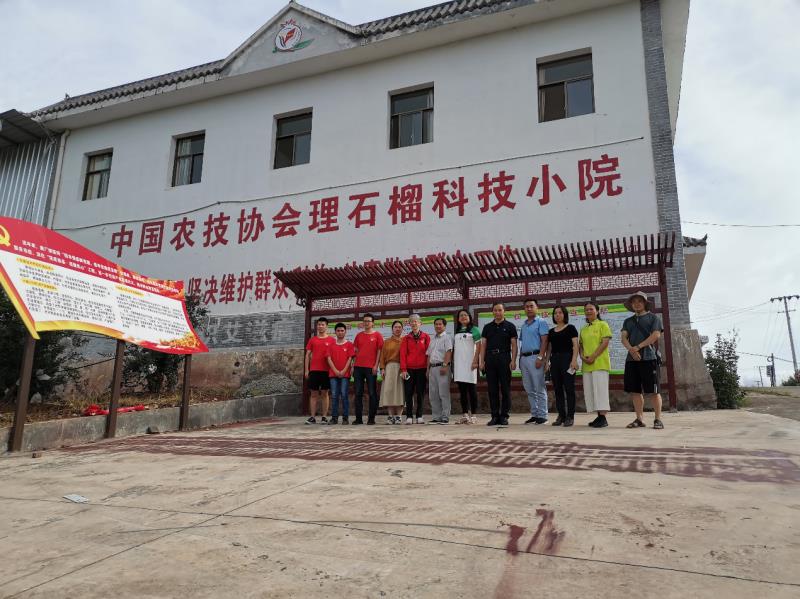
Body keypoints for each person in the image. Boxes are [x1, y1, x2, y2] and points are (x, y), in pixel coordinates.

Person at [621, 291, 665, 430]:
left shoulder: (653, 318)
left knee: (654, 391)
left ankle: (658, 419)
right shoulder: (628, 321)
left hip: (649, 357)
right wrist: (631, 350)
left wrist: (638, 347)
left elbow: (656, 335)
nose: (637, 304)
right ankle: (639, 419)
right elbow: (623, 337)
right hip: (631, 359)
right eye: (634, 302)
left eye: (640, 301)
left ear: (645, 303)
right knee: (635, 391)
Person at [479, 302, 518, 427]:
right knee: (492, 389)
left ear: (504, 311)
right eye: (495, 310)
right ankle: (494, 416)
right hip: (490, 359)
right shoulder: (487, 327)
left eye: (500, 310)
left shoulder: (510, 326)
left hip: (504, 358)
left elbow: (514, 345)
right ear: (492, 312)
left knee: (505, 388)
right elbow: (483, 345)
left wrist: (513, 360)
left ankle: (504, 416)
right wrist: (481, 361)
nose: (497, 312)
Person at [579, 302, 613, 428]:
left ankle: (603, 418)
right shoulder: (583, 328)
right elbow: (581, 345)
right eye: (586, 310)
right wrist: (582, 356)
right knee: (591, 392)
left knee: (600, 391)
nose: (588, 311)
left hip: (599, 363)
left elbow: (605, 342)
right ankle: (599, 416)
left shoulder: (603, 324)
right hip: (587, 365)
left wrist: (593, 357)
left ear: (597, 311)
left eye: (591, 309)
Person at [544, 305, 579, 427]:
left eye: (560, 312)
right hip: (555, 361)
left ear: (565, 314)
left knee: (569, 389)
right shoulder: (551, 332)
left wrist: (574, 360)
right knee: (557, 389)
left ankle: (570, 416)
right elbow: (549, 349)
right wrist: (547, 362)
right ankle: (561, 415)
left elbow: (575, 346)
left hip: (567, 359)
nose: (557, 315)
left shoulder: (571, 328)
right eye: (555, 313)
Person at [519, 298, 550, 425]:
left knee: (539, 387)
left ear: (537, 308)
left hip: (536, 357)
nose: (529, 308)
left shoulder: (541, 322)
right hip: (524, 359)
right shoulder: (524, 325)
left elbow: (545, 341)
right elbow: (522, 343)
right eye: (526, 306)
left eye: (531, 306)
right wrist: (520, 359)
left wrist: (541, 357)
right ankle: (535, 414)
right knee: (529, 388)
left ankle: (543, 415)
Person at [352, 313, 383, 425]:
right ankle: (358, 419)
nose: (366, 323)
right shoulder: (358, 335)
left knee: (372, 393)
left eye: (369, 321)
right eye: (365, 321)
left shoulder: (377, 335)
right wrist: (353, 366)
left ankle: (371, 418)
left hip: (371, 368)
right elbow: (355, 352)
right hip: (358, 368)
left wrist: (376, 365)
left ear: (373, 323)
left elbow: (379, 351)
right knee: (358, 393)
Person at [304, 317, 335, 424]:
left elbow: (334, 356)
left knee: (325, 394)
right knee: (313, 394)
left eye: (322, 324)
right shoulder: (312, 340)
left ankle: (324, 417)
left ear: (326, 326)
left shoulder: (332, 340)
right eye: (319, 324)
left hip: (326, 371)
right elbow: (307, 355)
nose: (320, 326)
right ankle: (312, 417)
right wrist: (306, 370)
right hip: (314, 370)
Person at [400, 314, 430, 424]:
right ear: (409, 324)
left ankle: (419, 416)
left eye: (416, 321)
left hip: (422, 369)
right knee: (408, 392)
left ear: (420, 323)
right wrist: (403, 369)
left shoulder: (426, 337)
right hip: (409, 370)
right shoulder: (406, 338)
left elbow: (429, 354)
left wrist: (428, 368)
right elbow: (403, 354)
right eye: (411, 321)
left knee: (420, 393)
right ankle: (409, 416)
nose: (414, 323)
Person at [453, 309, 480, 424]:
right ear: (458, 319)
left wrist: (475, 361)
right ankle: (465, 415)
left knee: (472, 390)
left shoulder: (474, 329)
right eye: (461, 315)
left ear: (469, 317)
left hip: (470, 364)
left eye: (465, 315)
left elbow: (479, 347)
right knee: (462, 391)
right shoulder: (457, 331)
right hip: (459, 365)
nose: (463, 317)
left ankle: (473, 415)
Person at [327, 322, 355, 425]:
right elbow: (328, 359)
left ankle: (345, 418)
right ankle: (334, 418)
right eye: (338, 331)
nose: (340, 332)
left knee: (344, 395)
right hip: (333, 374)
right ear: (335, 332)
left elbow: (350, 358)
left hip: (345, 374)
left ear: (345, 332)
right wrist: (335, 370)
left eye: (342, 330)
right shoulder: (331, 344)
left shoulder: (349, 344)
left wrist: (343, 371)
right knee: (334, 395)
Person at [427, 317, 454, 424]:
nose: (438, 326)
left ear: (444, 326)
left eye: (440, 324)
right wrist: (427, 369)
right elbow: (429, 355)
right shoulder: (432, 339)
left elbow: (449, 352)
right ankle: (436, 416)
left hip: (442, 367)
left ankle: (445, 416)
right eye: (436, 324)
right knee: (433, 394)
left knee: (443, 393)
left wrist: (445, 365)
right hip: (432, 368)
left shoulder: (447, 338)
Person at [380, 320, 405, 424]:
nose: (397, 329)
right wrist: (382, 368)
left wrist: (405, 369)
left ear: (402, 329)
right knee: (389, 391)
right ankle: (390, 416)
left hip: (402, 368)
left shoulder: (405, 340)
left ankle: (398, 416)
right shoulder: (387, 342)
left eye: (399, 327)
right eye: (395, 327)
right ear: (392, 329)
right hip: (389, 367)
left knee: (400, 391)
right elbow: (382, 356)